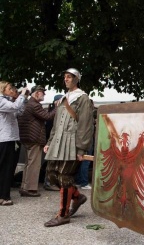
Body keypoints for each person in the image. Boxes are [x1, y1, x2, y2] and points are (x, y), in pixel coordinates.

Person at [43, 68, 94, 227]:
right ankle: (77, 197)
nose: (66, 79)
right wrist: (49, 141)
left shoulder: (83, 98)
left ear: (77, 79)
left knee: (65, 176)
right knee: (51, 174)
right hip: (58, 141)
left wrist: (81, 149)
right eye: (65, 77)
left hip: (72, 142)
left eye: (69, 77)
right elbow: (56, 124)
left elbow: (86, 125)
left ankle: (63, 215)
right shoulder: (64, 98)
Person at [18, 85, 56, 197]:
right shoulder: (34, 105)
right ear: (37, 93)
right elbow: (48, 116)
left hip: (27, 138)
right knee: (34, 164)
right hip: (34, 138)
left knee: (28, 163)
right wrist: (57, 108)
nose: (44, 94)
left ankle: (24, 187)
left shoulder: (27, 104)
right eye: (43, 92)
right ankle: (30, 189)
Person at [0, 81, 29, 206]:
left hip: (9, 138)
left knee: (8, 168)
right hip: (5, 139)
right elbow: (14, 108)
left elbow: (18, 112)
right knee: (5, 168)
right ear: (2, 89)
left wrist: (24, 98)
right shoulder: (1, 100)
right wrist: (21, 95)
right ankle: (3, 196)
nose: (12, 90)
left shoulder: (7, 101)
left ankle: (3, 195)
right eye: (9, 88)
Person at [43, 94, 63, 191]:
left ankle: (52, 182)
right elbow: (51, 129)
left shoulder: (57, 112)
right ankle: (48, 182)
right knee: (52, 162)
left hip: (56, 140)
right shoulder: (53, 113)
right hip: (52, 141)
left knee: (55, 163)